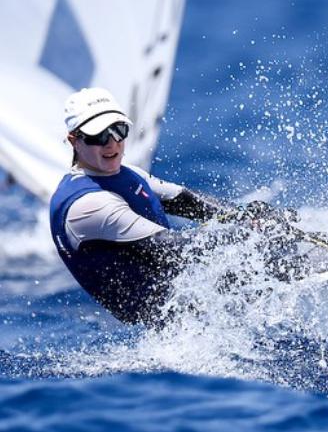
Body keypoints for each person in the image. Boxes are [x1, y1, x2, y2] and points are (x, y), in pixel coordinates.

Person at [48, 87, 306, 325]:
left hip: (191, 292)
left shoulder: (126, 173)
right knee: (276, 258)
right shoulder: (88, 205)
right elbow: (173, 249)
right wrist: (247, 234)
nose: (112, 143)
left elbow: (185, 200)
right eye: (99, 135)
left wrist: (244, 216)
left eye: (119, 130)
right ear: (74, 141)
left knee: (278, 247)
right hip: (175, 320)